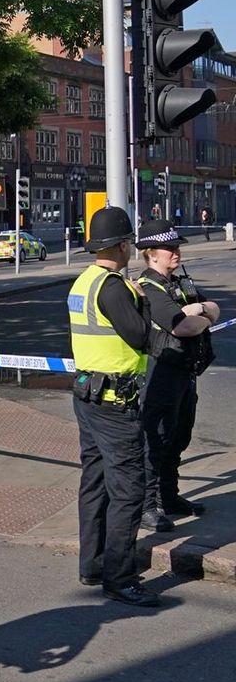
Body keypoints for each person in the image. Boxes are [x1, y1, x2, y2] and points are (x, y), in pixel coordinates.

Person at [67, 206, 158, 607]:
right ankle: (120, 578)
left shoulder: (83, 283)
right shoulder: (115, 287)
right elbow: (140, 337)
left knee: (95, 482)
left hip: (87, 395)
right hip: (115, 403)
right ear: (122, 245)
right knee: (128, 491)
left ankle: (93, 564)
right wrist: (143, 301)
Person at [134, 220, 218, 528]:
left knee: (179, 436)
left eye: (177, 247)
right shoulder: (149, 287)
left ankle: (168, 497)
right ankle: (146, 506)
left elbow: (213, 307)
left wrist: (201, 312)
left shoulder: (179, 283)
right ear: (151, 254)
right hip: (160, 374)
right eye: (169, 248)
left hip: (184, 371)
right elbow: (180, 327)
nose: (176, 253)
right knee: (156, 440)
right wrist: (197, 315)